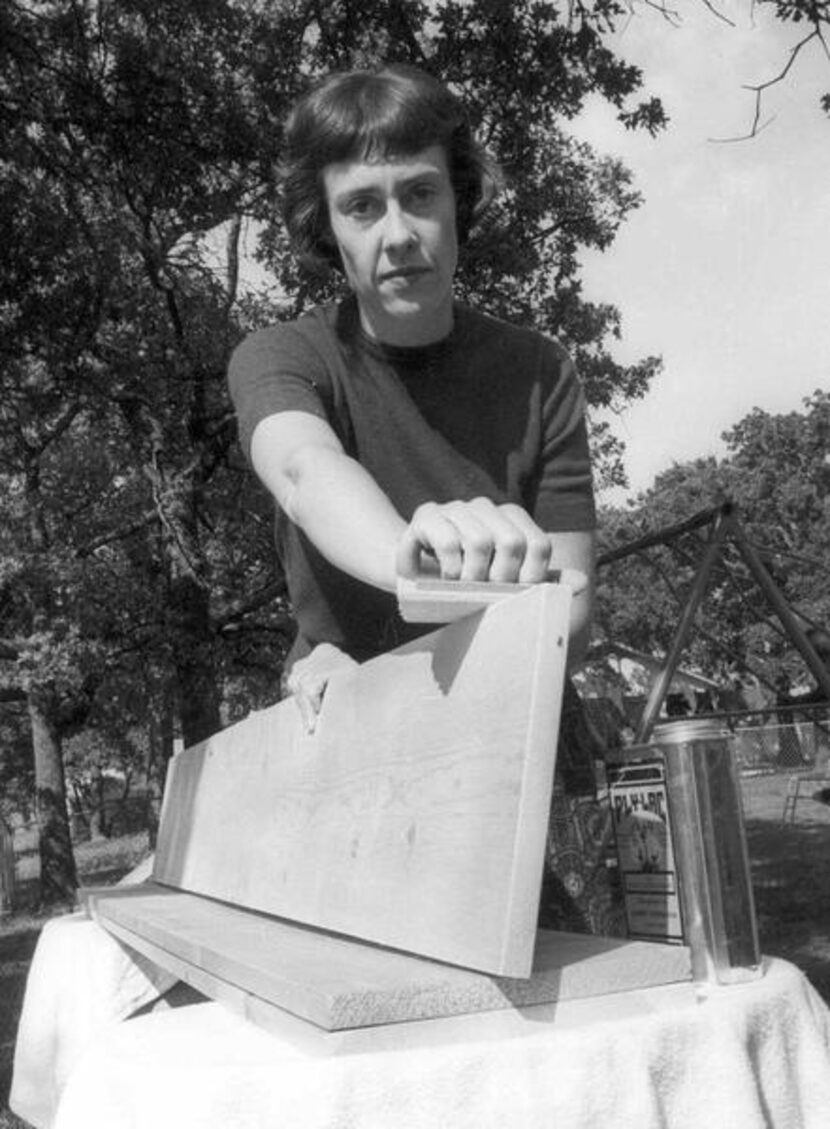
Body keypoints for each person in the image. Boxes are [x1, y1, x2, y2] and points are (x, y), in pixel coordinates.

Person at [229, 65, 619, 934]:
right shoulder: (281, 357)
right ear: (326, 228)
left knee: (589, 1014)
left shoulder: (541, 370)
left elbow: (576, 613)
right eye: (362, 206)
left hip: (528, 755)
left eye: (420, 194)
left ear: (458, 201)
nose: (398, 233)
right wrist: (419, 555)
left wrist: (520, 594)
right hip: (351, 742)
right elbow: (302, 470)